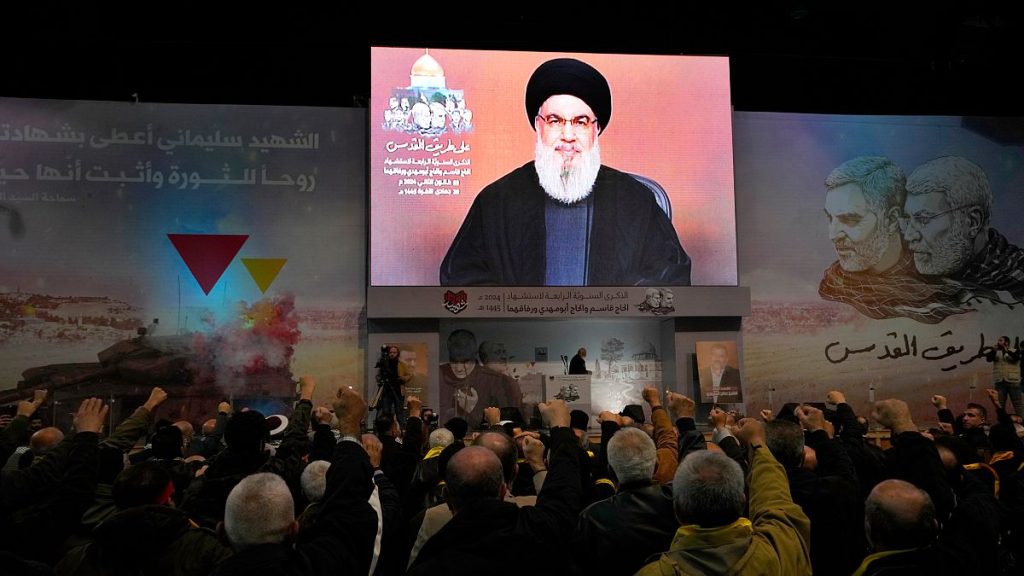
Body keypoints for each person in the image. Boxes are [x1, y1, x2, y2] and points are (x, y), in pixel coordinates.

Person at [439, 57, 690, 286]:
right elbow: (461, 280)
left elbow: (670, 278)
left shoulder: (635, 201)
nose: (568, 136)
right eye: (555, 121)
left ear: (596, 130)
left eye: (581, 122)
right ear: (539, 127)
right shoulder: (496, 202)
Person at [636, 418, 811, 575]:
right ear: (743, 501)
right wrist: (757, 443)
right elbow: (774, 498)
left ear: (677, 510)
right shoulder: (780, 550)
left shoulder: (653, 572)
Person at [818, 156, 970, 323]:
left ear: (891, 220)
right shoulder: (832, 288)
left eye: (850, 219)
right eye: (830, 218)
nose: (833, 235)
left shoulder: (944, 289)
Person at [904, 155, 1024, 302]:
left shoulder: (1016, 284)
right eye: (907, 219)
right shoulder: (934, 275)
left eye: (923, 219)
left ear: (973, 222)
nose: (908, 235)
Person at [438, 329, 519, 426]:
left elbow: (507, 427)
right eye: (454, 361)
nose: (459, 369)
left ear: (475, 355)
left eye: (465, 361)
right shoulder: (438, 376)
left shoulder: (496, 381)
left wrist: (473, 410)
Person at [986, 335, 1022, 416]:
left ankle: (1022, 423)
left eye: (1000, 340)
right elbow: (988, 359)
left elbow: (1017, 358)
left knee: (1018, 404)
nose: (998, 342)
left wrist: (1007, 351)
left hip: (1013, 381)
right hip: (1000, 381)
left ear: (1006, 342)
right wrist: (993, 351)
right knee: (999, 404)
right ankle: (1003, 424)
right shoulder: (995, 352)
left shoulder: (1015, 350)